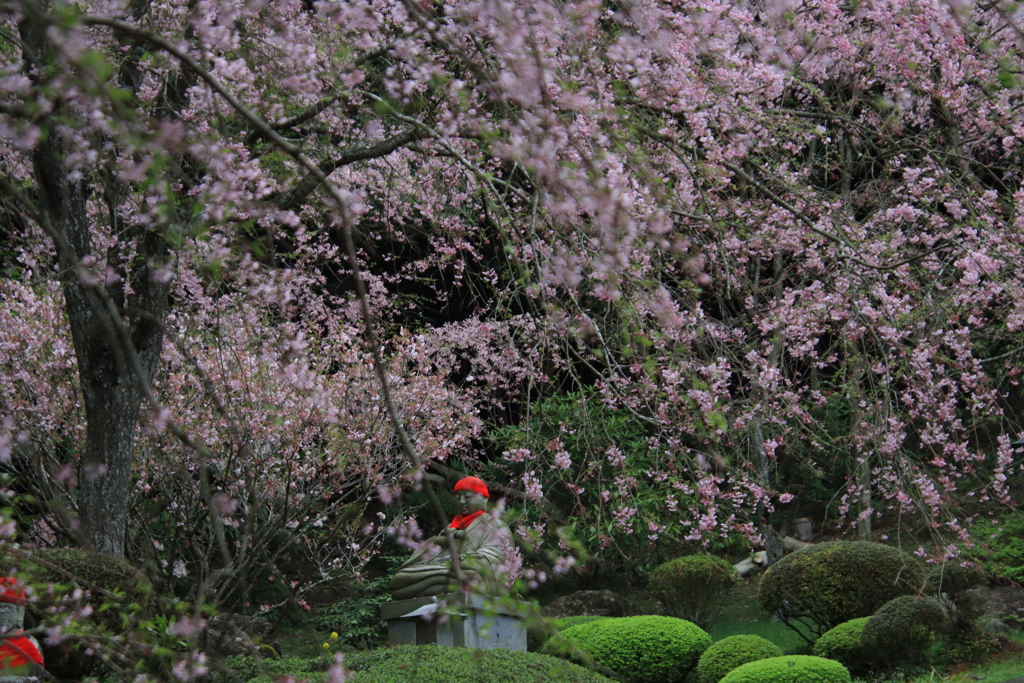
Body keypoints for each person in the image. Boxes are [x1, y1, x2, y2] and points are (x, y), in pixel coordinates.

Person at [389, 476, 512, 601]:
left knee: (467, 573)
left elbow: (497, 555)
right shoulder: (450, 527)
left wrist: (472, 558)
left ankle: (442, 581)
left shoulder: (494, 524)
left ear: (483, 499)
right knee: (399, 578)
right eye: (458, 498)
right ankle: (443, 581)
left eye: (468, 497)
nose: (462, 501)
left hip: (468, 570)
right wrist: (438, 542)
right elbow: (428, 557)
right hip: (443, 568)